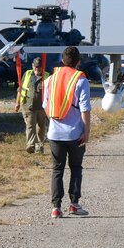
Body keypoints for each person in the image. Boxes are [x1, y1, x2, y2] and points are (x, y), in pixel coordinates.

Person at [43, 46, 92, 218]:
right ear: (78, 62)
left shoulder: (50, 80)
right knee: (76, 168)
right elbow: (85, 109)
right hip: (74, 133)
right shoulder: (81, 80)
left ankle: (56, 207)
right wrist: (86, 132)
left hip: (55, 134)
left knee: (57, 170)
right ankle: (74, 204)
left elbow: (45, 106)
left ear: (62, 61)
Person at [14, 57, 48, 154]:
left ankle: (40, 146)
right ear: (33, 66)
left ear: (43, 67)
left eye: (40, 67)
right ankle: (31, 145)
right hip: (28, 106)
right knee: (30, 126)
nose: (38, 69)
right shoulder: (27, 74)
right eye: (36, 67)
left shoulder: (47, 76)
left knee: (41, 128)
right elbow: (20, 89)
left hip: (42, 108)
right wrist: (17, 103)